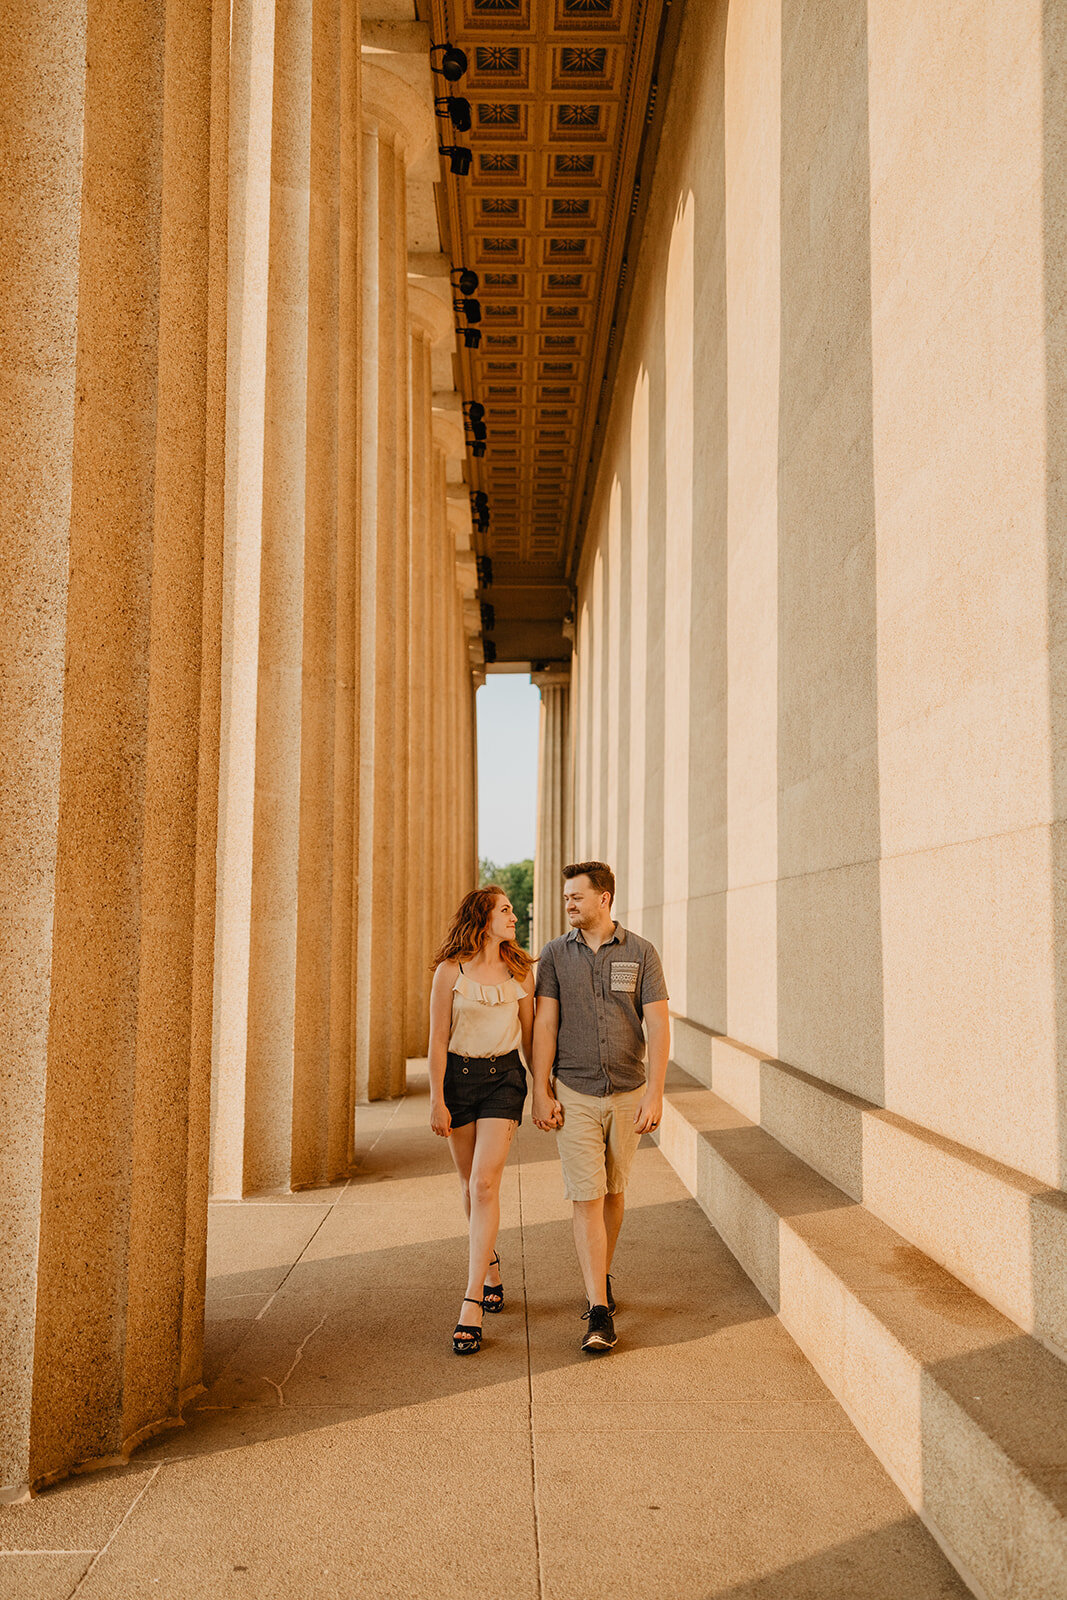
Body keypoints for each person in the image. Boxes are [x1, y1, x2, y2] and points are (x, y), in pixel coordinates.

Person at [531, 861, 670, 1354]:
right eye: (566, 897)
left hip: (629, 1090)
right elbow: (544, 1025)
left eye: (576, 897)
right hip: (576, 1093)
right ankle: (598, 1309)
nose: (568, 904)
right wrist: (540, 1088)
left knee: (613, 1192)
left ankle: (601, 1277)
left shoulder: (641, 952)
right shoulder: (553, 955)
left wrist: (655, 1092)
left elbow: (656, 1025)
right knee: (586, 1195)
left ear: (604, 898)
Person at [428, 885, 535, 1354]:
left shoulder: (520, 971)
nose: (513, 916)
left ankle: (471, 1301)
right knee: (469, 1184)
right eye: (506, 910)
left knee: (486, 1184)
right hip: (458, 1080)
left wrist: (545, 1090)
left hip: (504, 1080)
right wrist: (436, 1099)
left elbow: (531, 1039)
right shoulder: (450, 972)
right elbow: (435, 1040)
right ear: (483, 917)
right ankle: (488, 1264)